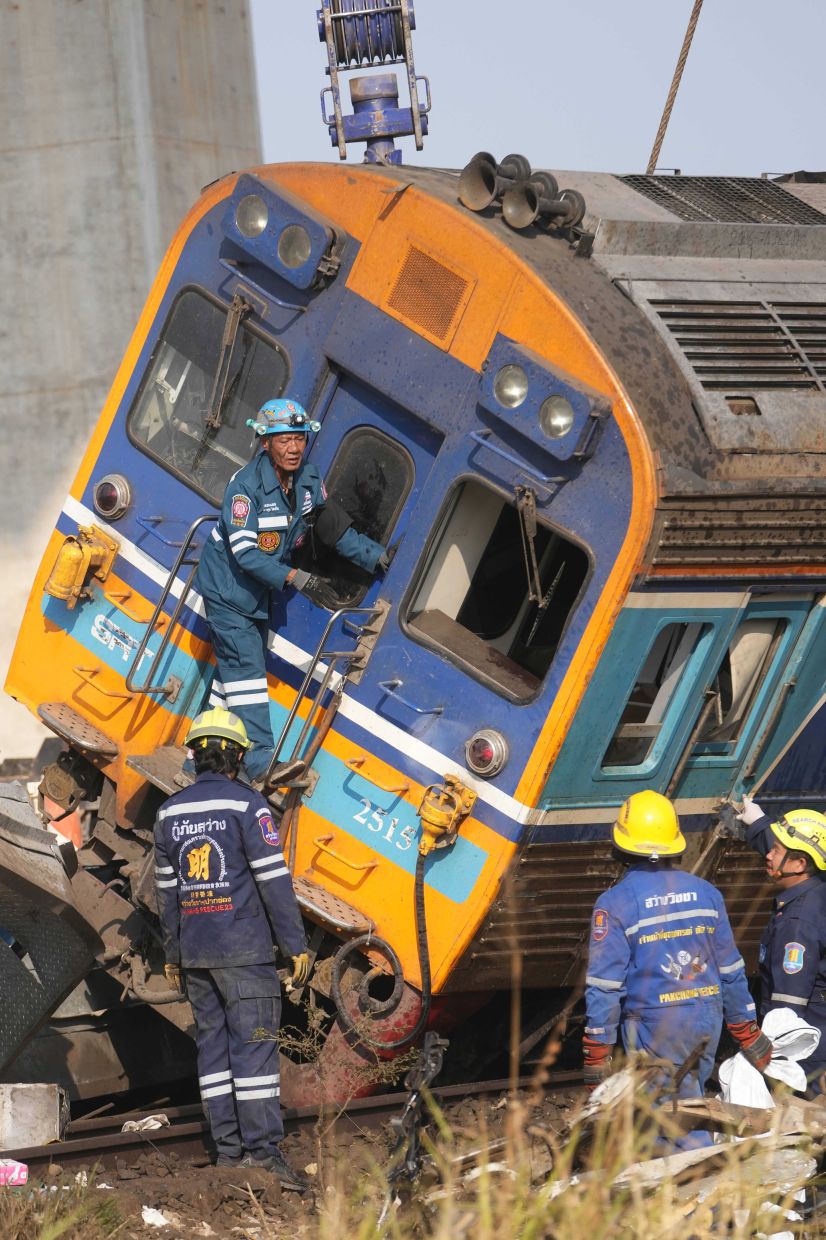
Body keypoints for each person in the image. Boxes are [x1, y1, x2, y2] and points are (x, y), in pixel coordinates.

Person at [153, 707, 311, 1190]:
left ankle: (227, 1152)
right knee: (256, 1052)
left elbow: (168, 896)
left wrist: (173, 955)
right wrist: (296, 944)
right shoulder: (249, 807)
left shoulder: (168, 813)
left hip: (197, 955)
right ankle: (263, 1154)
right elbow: (273, 883)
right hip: (244, 954)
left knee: (214, 1054)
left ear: (195, 755)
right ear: (237, 756)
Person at [195, 397, 389, 784]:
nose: (294, 447)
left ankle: (199, 760)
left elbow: (333, 530)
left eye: (299, 438)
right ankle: (261, 765)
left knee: (230, 677)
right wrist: (295, 578)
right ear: (265, 442)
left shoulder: (309, 482)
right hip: (228, 591)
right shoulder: (245, 488)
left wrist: (379, 558)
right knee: (247, 671)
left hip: (256, 596)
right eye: (284, 440)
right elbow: (247, 554)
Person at [583, 790, 771, 1128]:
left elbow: (605, 987)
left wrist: (597, 1051)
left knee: (665, 1122)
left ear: (621, 845)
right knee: (692, 1103)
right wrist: (746, 1029)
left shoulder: (614, 904)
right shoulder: (706, 893)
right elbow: (730, 969)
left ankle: (691, 1172)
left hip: (655, 1025)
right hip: (706, 1018)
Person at [736, 795, 826, 1093]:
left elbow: (788, 1008)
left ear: (801, 863)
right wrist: (760, 825)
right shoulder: (815, 887)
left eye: (775, 850)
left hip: (805, 1049)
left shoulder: (796, 925)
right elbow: (794, 854)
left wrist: (768, 1054)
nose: (768, 855)